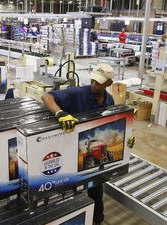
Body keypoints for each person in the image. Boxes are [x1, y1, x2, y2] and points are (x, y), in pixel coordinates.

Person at [41, 64, 116, 225]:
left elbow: (113, 123)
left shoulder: (110, 100)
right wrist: (60, 113)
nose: (94, 84)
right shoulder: (78, 93)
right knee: (72, 189)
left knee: (96, 187)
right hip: (72, 148)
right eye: (93, 80)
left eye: (99, 82)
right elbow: (46, 96)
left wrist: (127, 138)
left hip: (93, 143)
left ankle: (97, 219)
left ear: (109, 83)